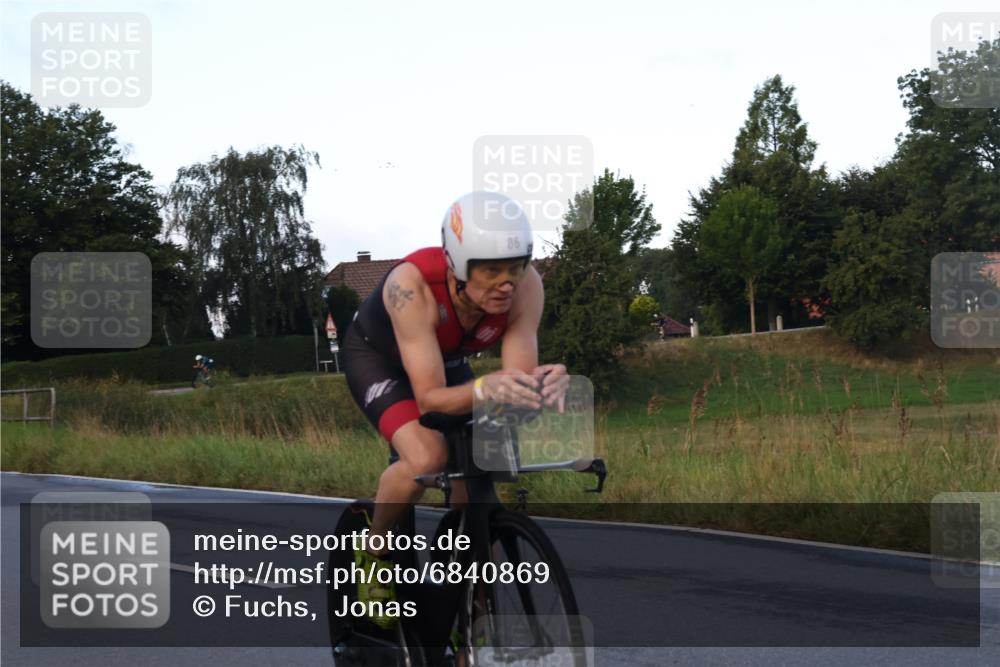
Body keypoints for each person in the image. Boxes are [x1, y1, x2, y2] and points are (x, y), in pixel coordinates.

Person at [342, 191, 569, 627]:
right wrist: (488, 389)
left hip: (443, 361)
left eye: (515, 267)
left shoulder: (527, 288)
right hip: (378, 359)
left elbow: (513, 390)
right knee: (427, 457)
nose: (507, 283)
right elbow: (428, 398)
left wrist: (539, 387)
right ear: (458, 266)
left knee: (476, 486)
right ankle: (374, 553)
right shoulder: (410, 287)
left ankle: (470, 618)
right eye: (491, 270)